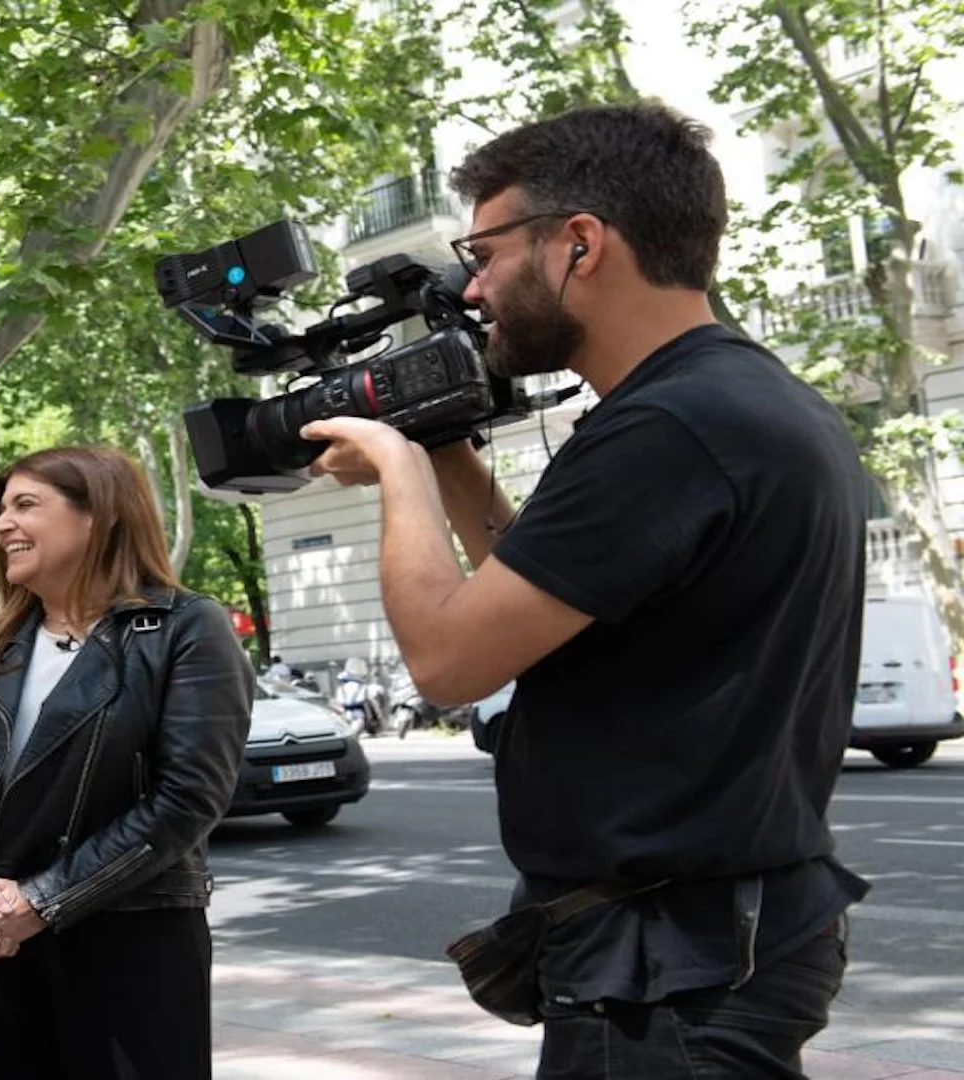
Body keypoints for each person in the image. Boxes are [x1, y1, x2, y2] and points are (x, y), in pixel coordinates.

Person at [303, 103, 870, 1077]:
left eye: (485, 253)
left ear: (580, 243)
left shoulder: (669, 430)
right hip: (706, 943)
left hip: (670, 972)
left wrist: (395, 465)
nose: (473, 289)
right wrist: (445, 454)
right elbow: (539, 598)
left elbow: (448, 659)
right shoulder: (731, 400)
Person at [0, 445, 255, 1080]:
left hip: (131, 944)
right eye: (1, 509)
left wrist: (40, 902)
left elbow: (189, 798)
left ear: (99, 514)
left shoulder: (185, 628)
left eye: (25, 505)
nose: (1, 526)